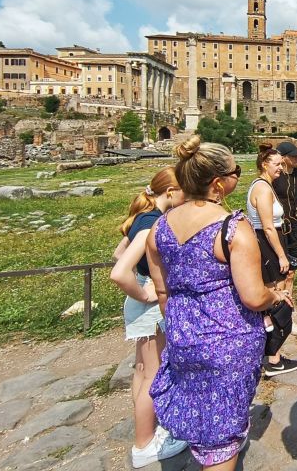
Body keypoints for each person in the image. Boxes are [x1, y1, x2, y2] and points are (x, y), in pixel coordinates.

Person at [146, 136, 291, 471]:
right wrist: (276, 296)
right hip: (227, 340)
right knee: (221, 440)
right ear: (218, 183)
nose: (237, 177)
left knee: (202, 419)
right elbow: (253, 296)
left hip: (182, 335)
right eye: (234, 172)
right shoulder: (232, 228)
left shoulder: (159, 227)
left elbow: (163, 291)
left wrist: (185, 325)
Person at [110, 168, 187, 468]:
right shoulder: (152, 223)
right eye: (183, 191)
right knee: (154, 373)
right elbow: (118, 271)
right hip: (150, 305)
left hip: (139, 304)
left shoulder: (141, 217)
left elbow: (120, 253)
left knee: (142, 370)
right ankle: (144, 444)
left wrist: (141, 275)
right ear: (170, 192)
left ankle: (148, 430)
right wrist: (147, 292)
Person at [247, 143, 297, 376]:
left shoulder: (263, 186)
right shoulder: (263, 189)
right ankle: (273, 358)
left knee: (274, 300)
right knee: (275, 300)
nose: (281, 168)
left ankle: (269, 354)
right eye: (277, 164)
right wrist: (282, 256)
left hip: (269, 241)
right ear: (264, 164)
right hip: (269, 245)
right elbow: (268, 227)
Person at [272, 140, 297, 336]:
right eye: (293, 156)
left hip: (294, 225)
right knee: (279, 272)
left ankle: (288, 314)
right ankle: (276, 314)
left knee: (292, 272)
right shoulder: (276, 177)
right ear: (284, 158)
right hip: (278, 227)